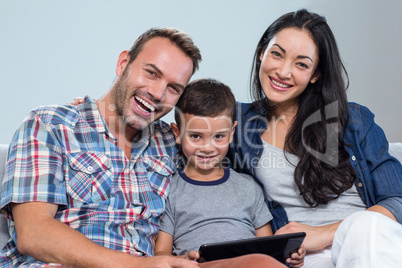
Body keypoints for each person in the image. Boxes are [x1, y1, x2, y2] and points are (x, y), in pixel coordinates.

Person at [228, 9, 402, 267]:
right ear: (261, 52)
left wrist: (326, 233)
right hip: (299, 258)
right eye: (277, 54)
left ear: (315, 75)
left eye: (301, 64)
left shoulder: (353, 120)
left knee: (367, 227)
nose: (283, 72)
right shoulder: (235, 123)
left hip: (368, 242)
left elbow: (397, 200)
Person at [154, 78, 305, 268]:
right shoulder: (171, 189)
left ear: (232, 132)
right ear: (177, 133)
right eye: (195, 136)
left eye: (218, 136)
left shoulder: (249, 186)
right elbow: (161, 252)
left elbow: (268, 247)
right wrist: (182, 261)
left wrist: (291, 256)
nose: (207, 148)